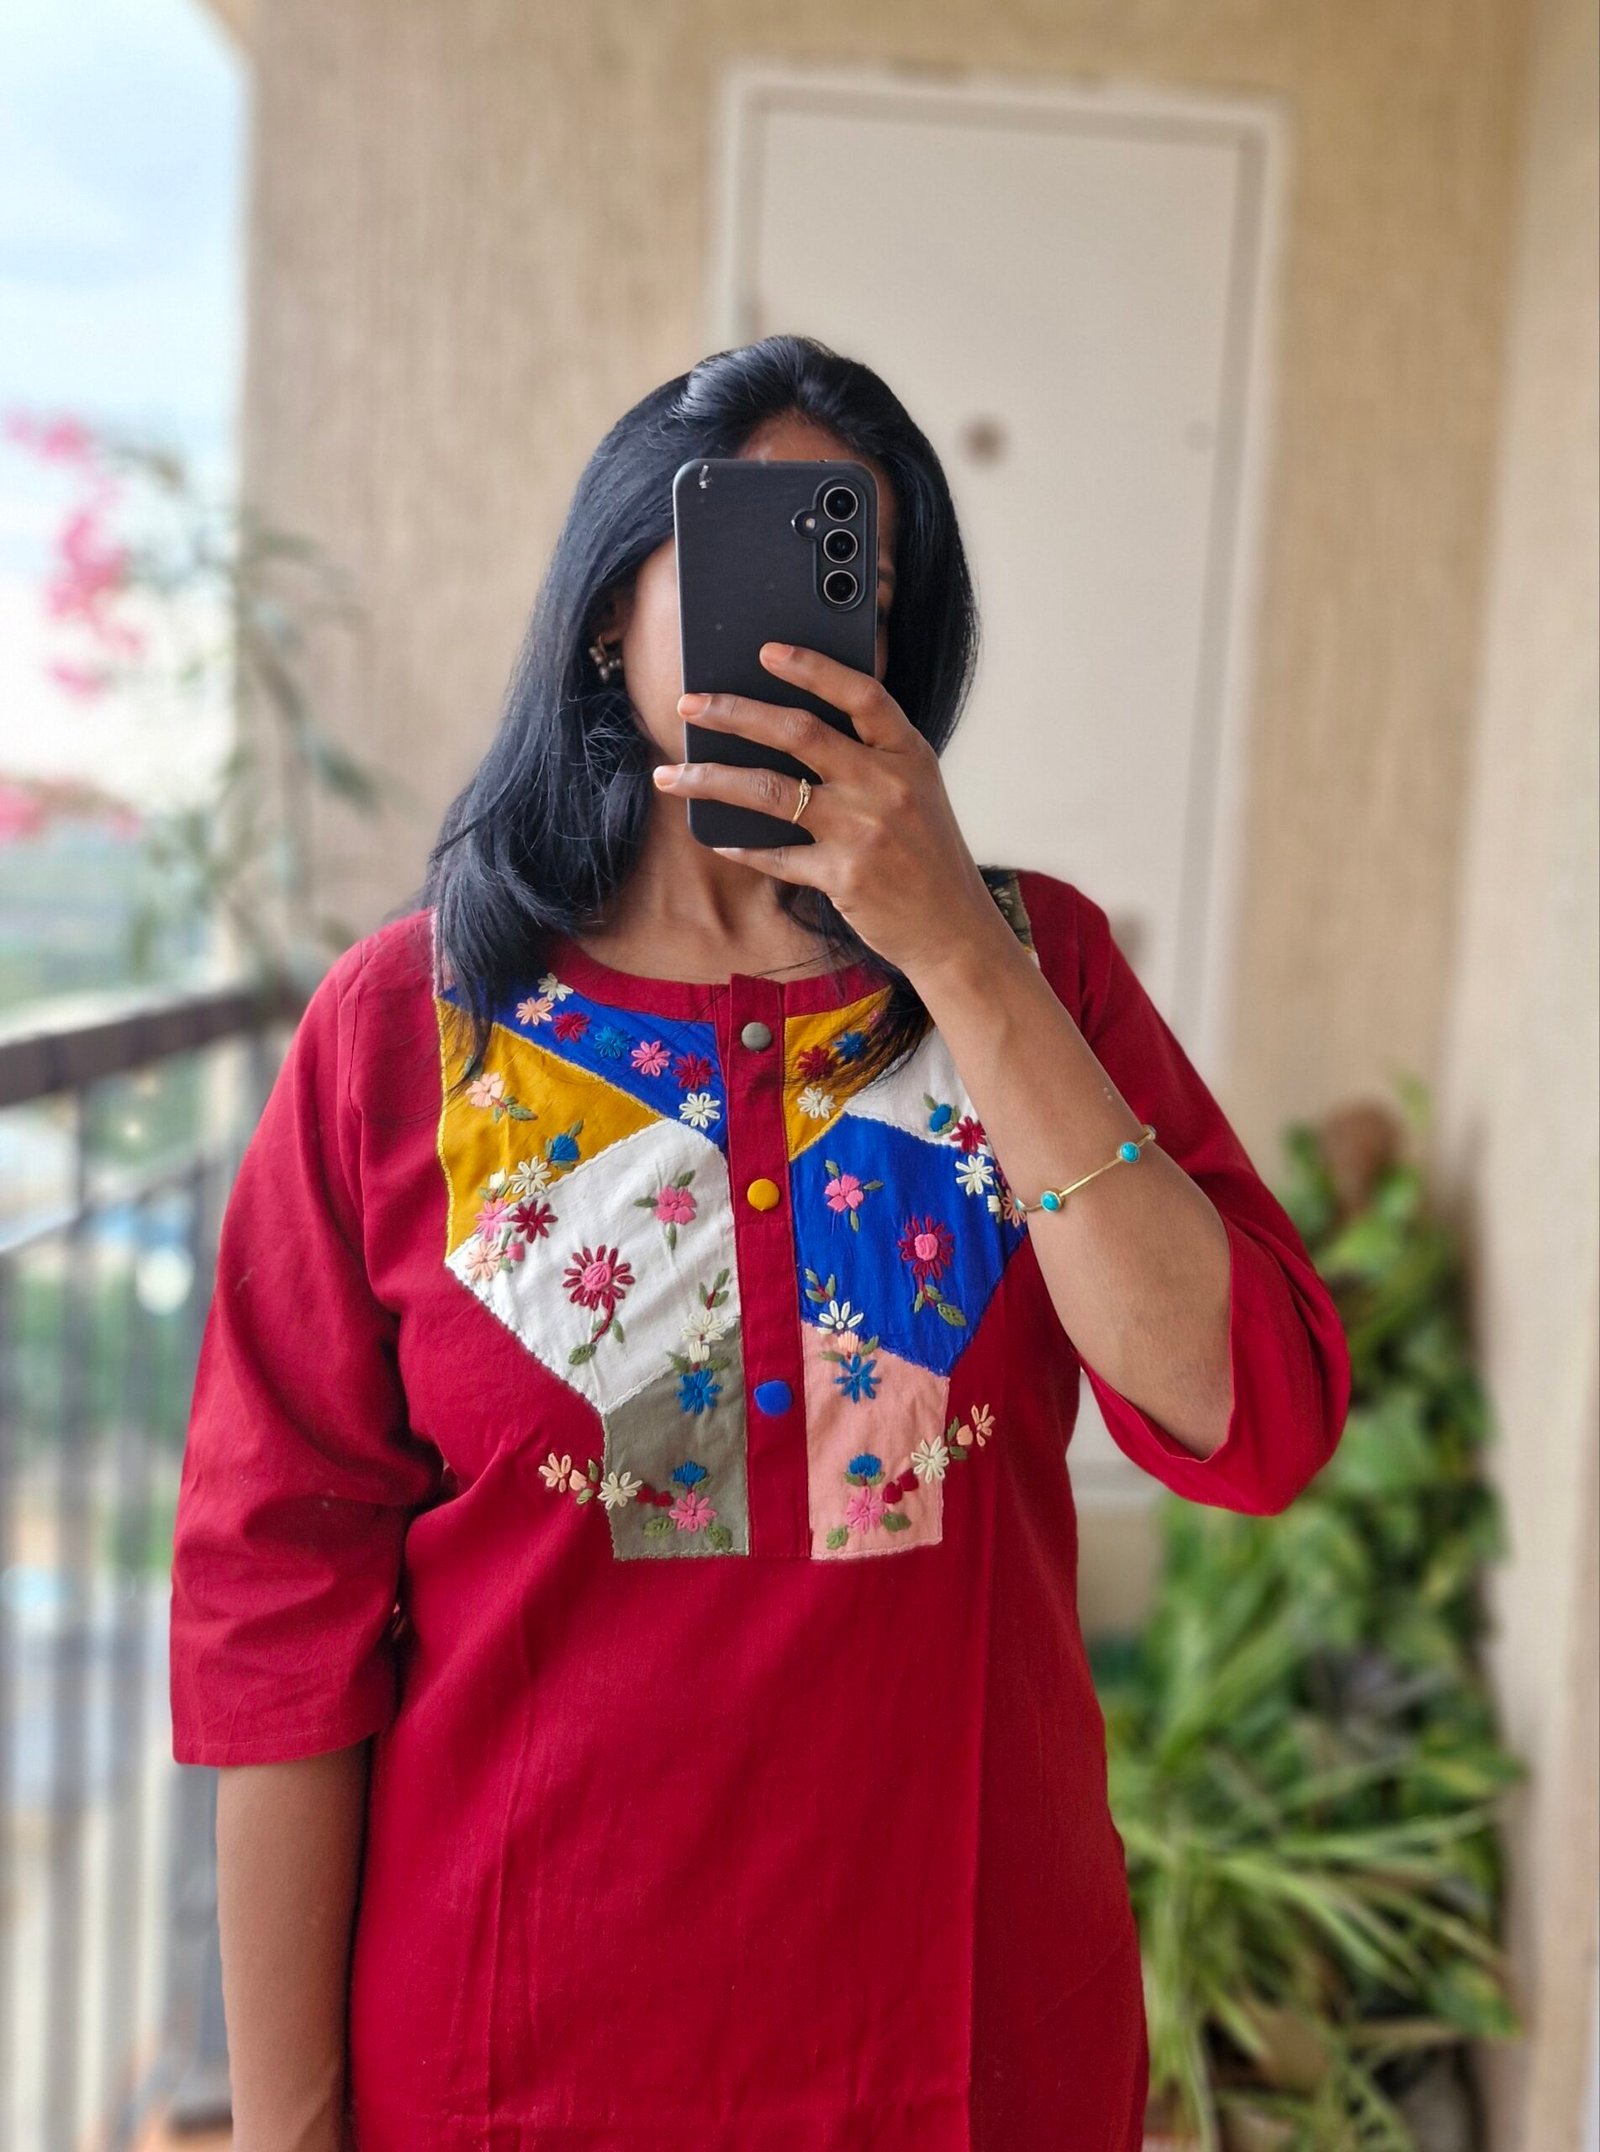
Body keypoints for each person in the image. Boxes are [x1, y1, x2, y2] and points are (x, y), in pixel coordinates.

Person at [168, 334, 1351, 2152]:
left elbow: (1250, 1416)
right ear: (607, 610)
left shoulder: (1038, 974)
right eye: (742, 555)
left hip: (969, 2062)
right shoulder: (406, 1032)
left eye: (855, 581)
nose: (802, 631)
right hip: (506, 2070)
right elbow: (275, 1616)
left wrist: (958, 955)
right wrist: (285, 2129)